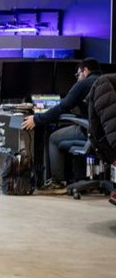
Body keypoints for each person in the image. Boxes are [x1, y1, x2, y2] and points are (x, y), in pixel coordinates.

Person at [21, 58, 102, 193]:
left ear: (85, 71)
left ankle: (58, 182)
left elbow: (62, 107)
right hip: (109, 134)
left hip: (91, 131)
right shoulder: (109, 81)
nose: (77, 78)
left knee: (53, 138)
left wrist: (37, 119)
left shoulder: (83, 84)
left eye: (78, 75)